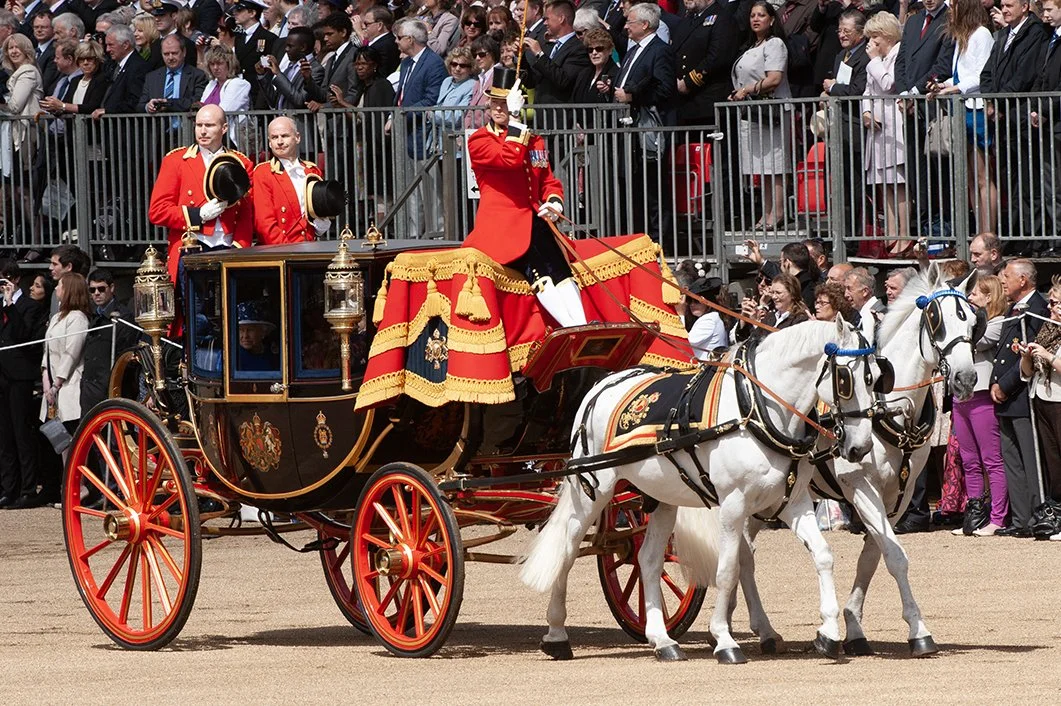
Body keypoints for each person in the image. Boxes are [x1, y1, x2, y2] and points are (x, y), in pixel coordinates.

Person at [463, 67, 585, 328]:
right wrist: (517, 119)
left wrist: (554, 202)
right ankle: (571, 328)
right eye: (495, 103)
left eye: (505, 104)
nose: (498, 109)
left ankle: (584, 327)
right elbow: (510, 158)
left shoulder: (534, 140)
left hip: (534, 221)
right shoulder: (479, 140)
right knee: (542, 274)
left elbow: (547, 180)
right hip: (502, 228)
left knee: (561, 272)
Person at [148, 104, 254, 285]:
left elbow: (247, 213)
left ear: (224, 128)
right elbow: (157, 211)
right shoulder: (176, 161)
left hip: (229, 248)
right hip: (191, 247)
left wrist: (239, 247)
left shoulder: (241, 163)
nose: (203, 131)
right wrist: (197, 215)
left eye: (210, 125)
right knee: (195, 311)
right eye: (199, 125)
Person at [926, 0, 995, 234]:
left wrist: (955, 89)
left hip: (975, 108)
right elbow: (960, 75)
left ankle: (989, 233)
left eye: (954, 7)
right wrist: (940, 85)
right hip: (961, 108)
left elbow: (982, 74)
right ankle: (979, 231)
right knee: (970, 178)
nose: (950, 12)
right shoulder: (961, 38)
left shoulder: (982, 34)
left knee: (982, 176)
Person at [980, 0, 1047, 240]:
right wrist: (990, 100)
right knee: (1009, 180)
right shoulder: (1002, 35)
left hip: (1020, 116)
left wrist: (998, 101)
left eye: (1010, 5)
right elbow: (986, 73)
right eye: (1003, 5)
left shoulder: (1035, 33)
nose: (1004, 10)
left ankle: (1032, 236)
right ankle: (1016, 233)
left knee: (1028, 181)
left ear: (1025, 6)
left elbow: (1025, 75)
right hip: (1002, 120)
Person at [991, 259, 1048, 537]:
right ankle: (1020, 519)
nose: (1003, 280)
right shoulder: (1011, 307)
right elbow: (1004, 352)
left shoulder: (1037, 308)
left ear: (1023, 280)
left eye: (1008, 276)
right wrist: (995, 383)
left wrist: (1005, 384)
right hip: (1005, 397)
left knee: (1030, 458)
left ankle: (1039, 516)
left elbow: (1029, 351)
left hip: (1023, 394)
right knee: (1011, 459)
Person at [949, 273, 1009, 536]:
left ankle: (998, 516)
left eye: (973, 294)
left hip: (983, 394)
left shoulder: (998, 323)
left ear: (988, 297)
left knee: (991, 459)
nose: (969, 298)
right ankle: (975, 514)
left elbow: (976, 340)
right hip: (961, 395)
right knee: (969, 460)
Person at [729, 0, 792, 231]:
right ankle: (765, 213)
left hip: (771, 111)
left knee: (774, 165)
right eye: (753, 15)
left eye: (761, 15)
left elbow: (774, 78)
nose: (756, 19)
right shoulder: (751, 46)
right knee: (761, 166)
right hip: (753, 112)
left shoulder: (775, 44)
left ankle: (778, 213)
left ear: (772, 19)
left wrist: (747, 90)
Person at [392, 17, 447, 236]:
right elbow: (401, 95)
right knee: (412, 190)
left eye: (399, 38)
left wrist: (403, 114)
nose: (396, 42)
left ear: (410, 39)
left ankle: (437, 233)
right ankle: (415, 235)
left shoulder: (433, 63)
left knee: (430, 190)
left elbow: (431, 99)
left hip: (424, 135)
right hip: (406, 134)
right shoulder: (406, 62)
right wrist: (393, 115)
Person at [0, 259, 47, 509]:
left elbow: (22, 334)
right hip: (1, 374)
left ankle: (28, 488)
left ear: (14, 279)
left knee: (21, 432)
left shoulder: (29, 306)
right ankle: (9, 488)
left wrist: (10, 305)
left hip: (20, 375)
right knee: (4, 435)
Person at [861, 11, 907, 255]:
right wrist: (866, 112)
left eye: (875, 37)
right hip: (876, 128)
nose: (871, 43)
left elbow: (889, 84)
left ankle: (904, 235)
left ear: (886, 35)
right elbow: (868, 91)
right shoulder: (875, 60)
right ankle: (890, 235)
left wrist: (874, 61)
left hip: (894, 123)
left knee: (898, 183)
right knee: (883, 183)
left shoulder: (896, 53)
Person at [1019, 276, 1061, 539]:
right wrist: (1027, 356)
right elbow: (1027, 373)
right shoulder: (1048, 330)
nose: (1050, 308)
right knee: (1054, 464)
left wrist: (1047, 356)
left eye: (1054, 303)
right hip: (1042, 398)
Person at [40, 272, 90, 473]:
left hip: (69, 386)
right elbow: (47, 353)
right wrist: (46, 384)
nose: (55, 288)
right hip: (52, 388)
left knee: (73, 440)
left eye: (59, 285)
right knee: (61, 442)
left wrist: (57, 383)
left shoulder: (78, 318)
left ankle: (80, 485)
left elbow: (72, 353)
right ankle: (68, 485)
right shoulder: (56, 318)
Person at [251, 116, 329, 244]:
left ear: (297, 137)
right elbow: (264, 223)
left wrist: (321, 224)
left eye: (285, 136)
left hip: (310, 246)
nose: (280, 142)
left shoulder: (312, 171)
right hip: (280, 249)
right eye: (274, 137)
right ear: (269, 143)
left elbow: (316, 215)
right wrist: (287, 250)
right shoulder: (263, 173)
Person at [79, 268, 138, 416]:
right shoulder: (93, 314)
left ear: (111, 288)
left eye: (101, 289)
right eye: (92, 290)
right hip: (89, 387)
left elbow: (124, 354)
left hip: (109, 386)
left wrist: (109, 382)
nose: (96, 294)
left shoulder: (123, 317)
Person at [672, 0, 737, 127]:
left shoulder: (723, 18)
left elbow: (718, 58)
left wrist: (688, 82)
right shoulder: (686, 20)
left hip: (709, 103)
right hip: (685, 104)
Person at [521, 0, 590, 106]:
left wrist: (540, 54)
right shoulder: (549, 47)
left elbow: (563, 80)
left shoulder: (579, 48)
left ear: (561, 19)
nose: (544, 23)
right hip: (541, 115)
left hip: (561, 117)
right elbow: (534, 80)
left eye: (547, 19)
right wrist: (521, 57)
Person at [1, 33, 42, 179]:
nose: (13, 51)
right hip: (14, 131)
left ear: (27, 50)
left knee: (22, 180)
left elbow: (15, 106)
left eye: (18, 47)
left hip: (25, 132)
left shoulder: (28, 71)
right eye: (10, 48)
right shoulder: (15, 73)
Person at [138, 34, 208, 118]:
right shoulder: (152, 77)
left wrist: (168, 104)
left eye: (174, 53)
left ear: (184, 52)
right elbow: (140, 106)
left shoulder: (197, 75)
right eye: (166, 54)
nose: (170, 58)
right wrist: (148, 107)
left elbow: (198, 101)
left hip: (186, 127)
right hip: (159, 128)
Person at [256, 26, 326, 109]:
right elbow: (275, 101)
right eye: (286, 46)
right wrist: (263, 76)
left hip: (297, 120)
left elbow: (300, 100)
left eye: (290, 46)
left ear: (303, 47)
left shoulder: (315, 69)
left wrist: (278, 73)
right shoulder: (289, 67)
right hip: (281, 119)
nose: (286, 49)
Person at [93, 24, 150, 118]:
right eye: (106, 45)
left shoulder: (138, 67)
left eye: (111, 45)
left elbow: (134, 101)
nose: (107, 49)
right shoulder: (113, 65)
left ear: (125, 45)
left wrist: (108, 111)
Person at [199, 44, 251, 146]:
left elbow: (222, 112)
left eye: (219, 63)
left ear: (229, 63)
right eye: (212, 64)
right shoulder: (211, 84)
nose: (215, 68)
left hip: (230, 141)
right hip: (210, 137)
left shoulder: (239, 84)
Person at [735, 272, 811, 341]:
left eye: (778, 293)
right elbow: (745, 339)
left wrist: (755, 323)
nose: (774, 297)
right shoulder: (770, 316)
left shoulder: (800, 320)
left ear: (792, 294)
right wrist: (744, 317)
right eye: (772, 292)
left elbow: (775, 344)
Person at [686, 276, 729, 360]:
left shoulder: (709, 319)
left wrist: (680, 314)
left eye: (696, 301)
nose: (692, 304)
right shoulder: (712, 317)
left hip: (707, 369)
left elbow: (684, 342)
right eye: (689, 300)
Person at [571, 27, 616, 103]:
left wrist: (608, 92)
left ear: (610, 50)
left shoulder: (615, 74)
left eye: (599, 49)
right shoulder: (583, 73)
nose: (594, 53)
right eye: (590, 50)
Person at [844, 266, 885, 344]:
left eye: (849, 289)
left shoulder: (878, 316)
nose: (846, 294)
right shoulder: (862, 314)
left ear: (865, 292)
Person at [236, 300, 280, 372]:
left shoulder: (273, 357)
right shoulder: (233, 357)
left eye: (250, 330)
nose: (245, 336)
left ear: (263, 332)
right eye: (241, 330)